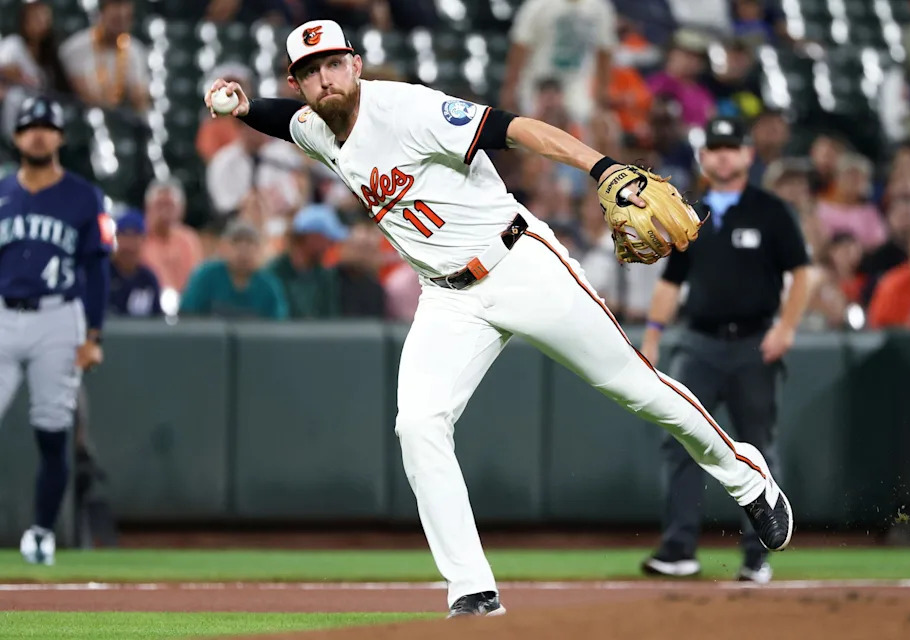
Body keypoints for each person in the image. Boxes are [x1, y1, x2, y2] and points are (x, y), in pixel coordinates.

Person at [204, 20, 795, 616]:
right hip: (448, 298)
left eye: (333, 64)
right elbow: (284, 120)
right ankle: (471, 589)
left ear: (356, 64)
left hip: (519, 263)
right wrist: (247, 107)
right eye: (309, 71)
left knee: (636, 387)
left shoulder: (409, 110)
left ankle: (748, 478)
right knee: (419, 423)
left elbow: (516, 128)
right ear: (297, 82)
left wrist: (603, 167)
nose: (323, 78)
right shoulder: (315, 126)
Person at [640, 117, 811, 584]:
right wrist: (653, 335)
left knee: (758, 449)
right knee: (682, 441)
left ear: (747, 156)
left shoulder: (772, 210)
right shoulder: (690, 215)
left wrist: (788, 326)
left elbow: (802, 272)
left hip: (756, 343)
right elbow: (671, 282)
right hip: (698, 342)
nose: (722, 156)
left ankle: (757, 556)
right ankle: (678, 550)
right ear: (703, 157)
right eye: (714, 148)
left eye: (730, 147)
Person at [0, 96, 112, 565]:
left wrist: (93, 335)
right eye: (30, 127)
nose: (38, 134)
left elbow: (98, 270)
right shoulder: (2, 191)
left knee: (52, 430)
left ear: (61, 136)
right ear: (16, 136)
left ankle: (42, 532)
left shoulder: (86, 197)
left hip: (57, 318)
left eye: (47, 126)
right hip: (3, 314)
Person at [499, 0, 618, 124]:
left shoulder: (599, 8)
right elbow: (520, 47)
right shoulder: (537, 5)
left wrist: (602, 94)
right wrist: (510, 89)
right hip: (538, 81)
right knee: (534, 129)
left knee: (583, 128)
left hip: (577, 84)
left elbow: (605, 51)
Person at [178, 220, 288, 319]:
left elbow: (278, 325)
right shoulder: (205, 276)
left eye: (250, 243)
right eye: (236, 241)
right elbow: (187, 315)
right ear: (223, 246)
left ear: (260, 249)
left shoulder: (269, 285)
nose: (243, 249)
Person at [58, 0, 150, 112]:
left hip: (121, 120)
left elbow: (140, 100)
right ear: (101, 14)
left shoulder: (135, 51)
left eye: (127, 18)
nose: (121, 24)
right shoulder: (75, 48)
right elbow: (88, 98)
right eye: (116, 20)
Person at [265, 203, 345, 319]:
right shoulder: (273, 274)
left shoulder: (326, 276)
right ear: (311, 237)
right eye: (328, 239)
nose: (330, 246)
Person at [140, 177, 204, 293]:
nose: (165, 211)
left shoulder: (188, 240)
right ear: (147, 207)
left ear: (181, 209)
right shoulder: (138, 239)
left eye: (170, 205)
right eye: (160, 205)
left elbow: (197, 281)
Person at [108, 210, 162, 317]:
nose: (129, 244)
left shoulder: (148, 279)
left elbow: (157, 319)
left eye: (134, 236)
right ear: (116, 238)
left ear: (144, 240)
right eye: (124, 236)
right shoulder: (103, 273)